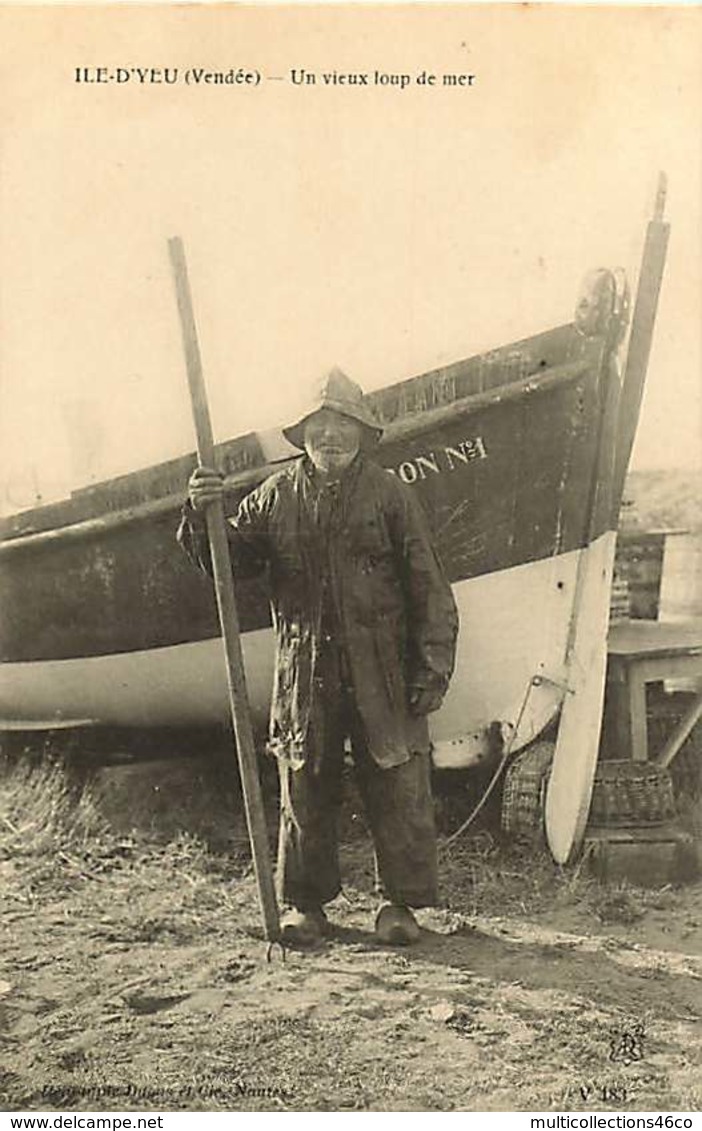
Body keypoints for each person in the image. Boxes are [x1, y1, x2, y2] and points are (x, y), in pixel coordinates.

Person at [178, 367, 459, 946]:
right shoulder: (276, 496)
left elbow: (429, 584)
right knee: (305, 780)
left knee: (398, 780)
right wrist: (200, 510)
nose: (331, 437)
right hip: (305, 669)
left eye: (343, 426)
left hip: (382, 667)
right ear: (303, 433)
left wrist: (433, 665)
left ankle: (399, 906)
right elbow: (226, 560)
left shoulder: (389, 495)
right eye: (319, 426)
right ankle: (306, 904)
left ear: (363, 433)